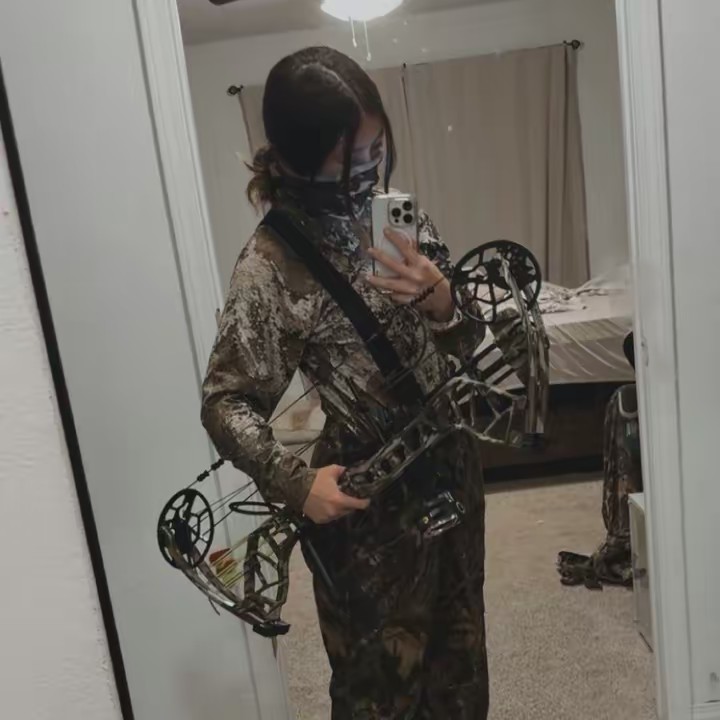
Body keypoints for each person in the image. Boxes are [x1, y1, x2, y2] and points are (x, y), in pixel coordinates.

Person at [201, 46, 500, 719]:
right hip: (369, 513)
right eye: (351, 158)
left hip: (451, 471)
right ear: (298, 160)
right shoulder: (268, 265)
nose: (370, 169)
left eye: (376, 148)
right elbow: (225, 402)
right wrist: (295, 483)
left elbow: (464, 346)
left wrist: (443, 300)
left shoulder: (400, 219)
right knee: (380, 690)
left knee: (461, 666)